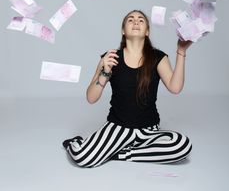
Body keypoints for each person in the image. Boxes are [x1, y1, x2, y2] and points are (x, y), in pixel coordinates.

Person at [63, 10, 192, 168]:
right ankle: (76, 143)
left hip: (149, 130)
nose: (136, 22)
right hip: (118, 127)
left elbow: (175, 87)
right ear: (123, 30)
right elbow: (91, 98)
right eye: (130, 20)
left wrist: (181, 51)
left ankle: (121, 154)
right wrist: (105, 72)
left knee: (182, 145)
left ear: (147, 31)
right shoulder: (111, 57)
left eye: (141, 20)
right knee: (83, 158)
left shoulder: (158, 57)